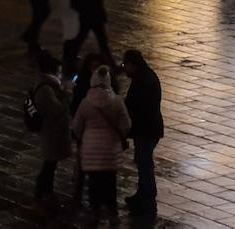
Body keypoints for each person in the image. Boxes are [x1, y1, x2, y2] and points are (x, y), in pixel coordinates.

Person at [70, 65, 131, 223]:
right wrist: (120, 137)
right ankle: (112, 214)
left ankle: (95, 212)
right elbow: (126, 125)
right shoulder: (117, 101)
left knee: (94, 185)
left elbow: (76, 127)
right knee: (110, 184)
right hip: (110, 151)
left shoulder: (85, 103)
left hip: (91, 153)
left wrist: (84, 139)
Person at [122, 49, 164, 216]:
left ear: (133, 64)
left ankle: (147, 197)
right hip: (149, 128)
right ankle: (143, 194)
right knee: (142, 161)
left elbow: (137, 108)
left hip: (146, 130)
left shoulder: (143, 80)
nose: (124, 69)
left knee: (144, 163)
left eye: (125, 65)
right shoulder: (144, 76)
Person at [29, 50, 71, 206]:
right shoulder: (46, 88)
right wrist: (67, 94)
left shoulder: (47, 84)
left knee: (51, 164)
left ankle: (47, 192)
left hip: (52, 131)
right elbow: (57, 109)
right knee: (49, 164)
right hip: (50, 131)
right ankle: (42, 193)